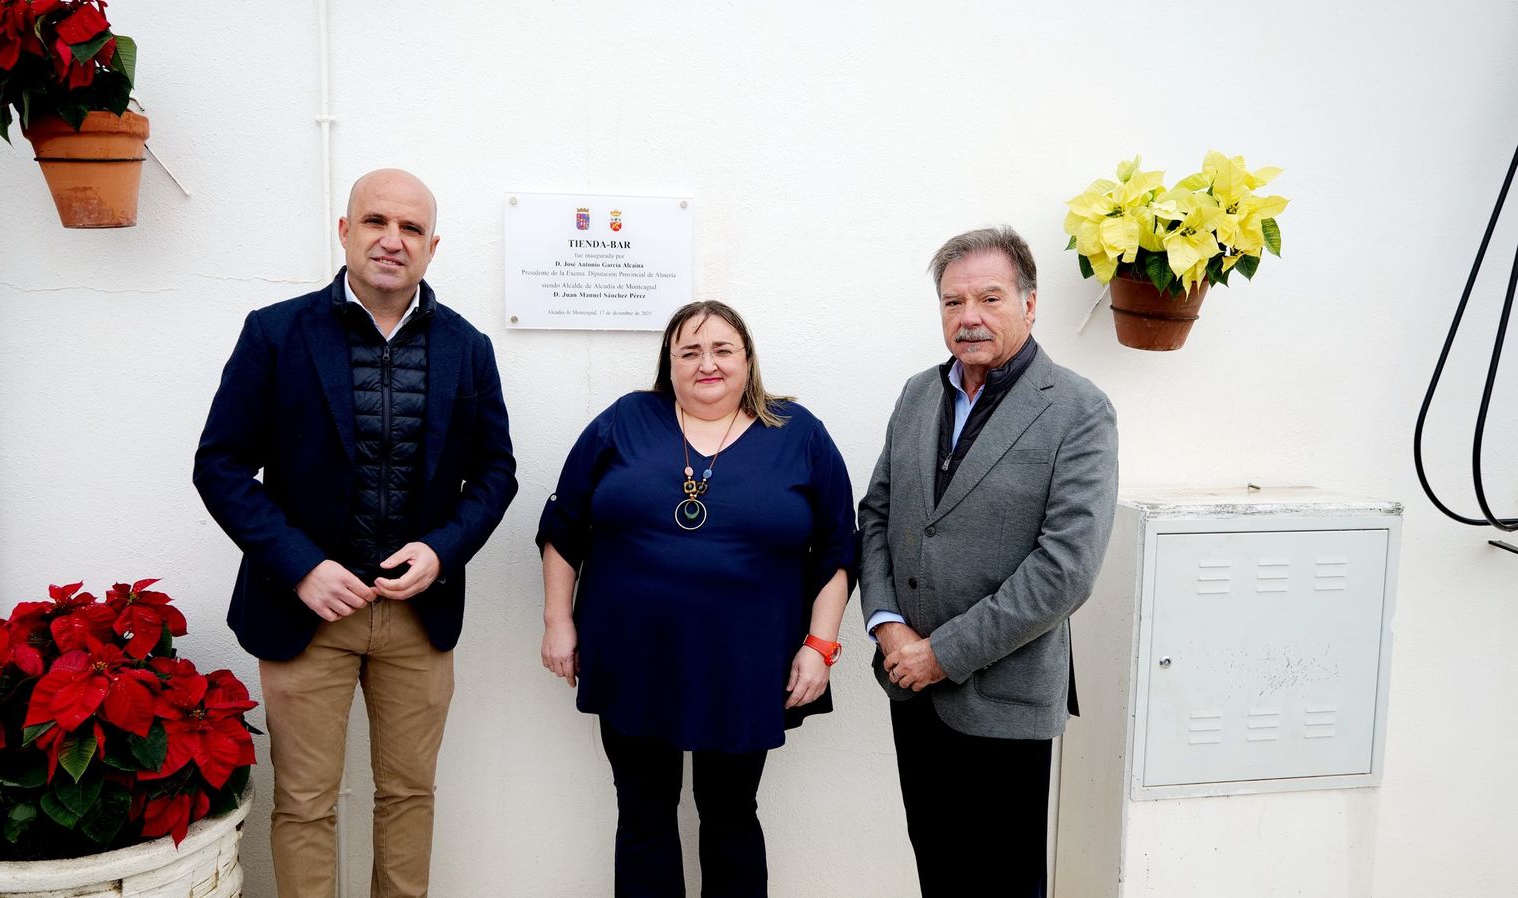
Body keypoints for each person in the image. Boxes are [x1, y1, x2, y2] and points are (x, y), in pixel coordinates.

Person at [193, 168, 518, 898]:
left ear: (433, 247)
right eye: (376, 222)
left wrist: (442, 549)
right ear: (345, 232)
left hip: (416, 619)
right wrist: (301, 565)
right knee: (305, 802)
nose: (392, 241)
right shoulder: (275, 334)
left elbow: (496, 473)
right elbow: (219, 466)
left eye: (410, 229)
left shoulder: (468, 348)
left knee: (409, 797)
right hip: (303, 613)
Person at [537, 301, 856, 898]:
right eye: (690, 351)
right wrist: (559, 622)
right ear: (670, 363)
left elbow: (839, 546)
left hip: (746, 664)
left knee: (731, 812)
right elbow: (562, 527)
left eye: (722, 350)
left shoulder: (798, 432)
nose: (706, 363)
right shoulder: (625, 421)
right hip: (634, 656)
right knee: (643, 813)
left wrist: (820, 645)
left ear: (747, 360)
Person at [859, 226, 1119, 896]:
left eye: (989, 298)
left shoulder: (1078, 411)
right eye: (952, 302)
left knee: (1003, 882)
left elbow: (1065, 569)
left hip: (1004, 696)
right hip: (910, 688)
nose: (968, 316)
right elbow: (879, 515)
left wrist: (941, 653)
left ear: (1029, 305)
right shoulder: (919, 393)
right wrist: (888, 625)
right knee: (939, 873)